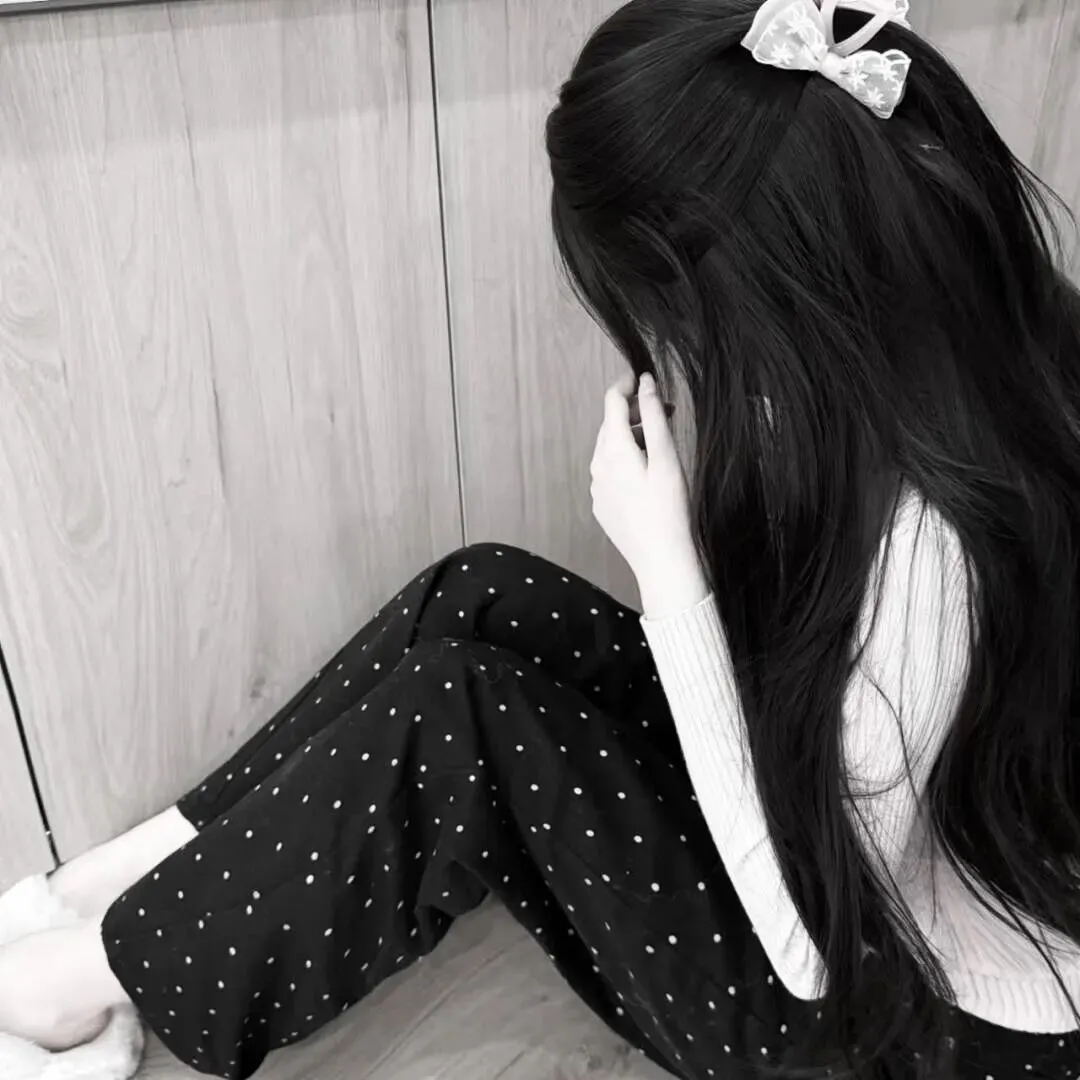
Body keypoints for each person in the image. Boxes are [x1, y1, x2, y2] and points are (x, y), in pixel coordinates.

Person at [0, 0, 1078, 1077]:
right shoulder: (958, 348)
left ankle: (68, 987)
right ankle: (98, 898)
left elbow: (810, 944)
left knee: (462, 724)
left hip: (891, 1017)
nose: (670, 353)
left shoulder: (932, 551)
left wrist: (669, 569)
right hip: (847, 841)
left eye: (670, 324)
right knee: (480, 594)